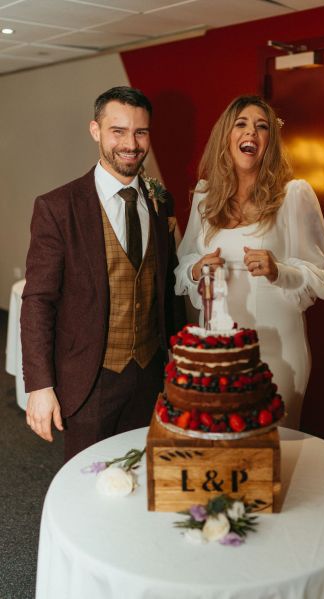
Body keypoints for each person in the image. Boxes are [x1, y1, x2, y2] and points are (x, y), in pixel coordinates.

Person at [21, 86, 183, 460]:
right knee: (86, 478)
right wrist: (40, 386)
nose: (131, 143)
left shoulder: (160, 201)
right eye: (118, 131)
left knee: (144, 472)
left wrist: (176, 362)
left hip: (150, 374)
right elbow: (38, 300)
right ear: (95, 130)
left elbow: (166, 287)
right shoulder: (58, 207)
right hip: (89, 379)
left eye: (140, 132)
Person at [174, 95, 324, 430]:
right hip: (219, 351)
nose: (252, 132)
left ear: (269, 143)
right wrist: (196, 268)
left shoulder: (294, 195)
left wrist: (280, 270)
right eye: (242, 124)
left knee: (275, 451)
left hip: (277, 352)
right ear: (226, 137)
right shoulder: (205, 197)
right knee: (223, 444)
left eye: (262, 127)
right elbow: (180, 267)